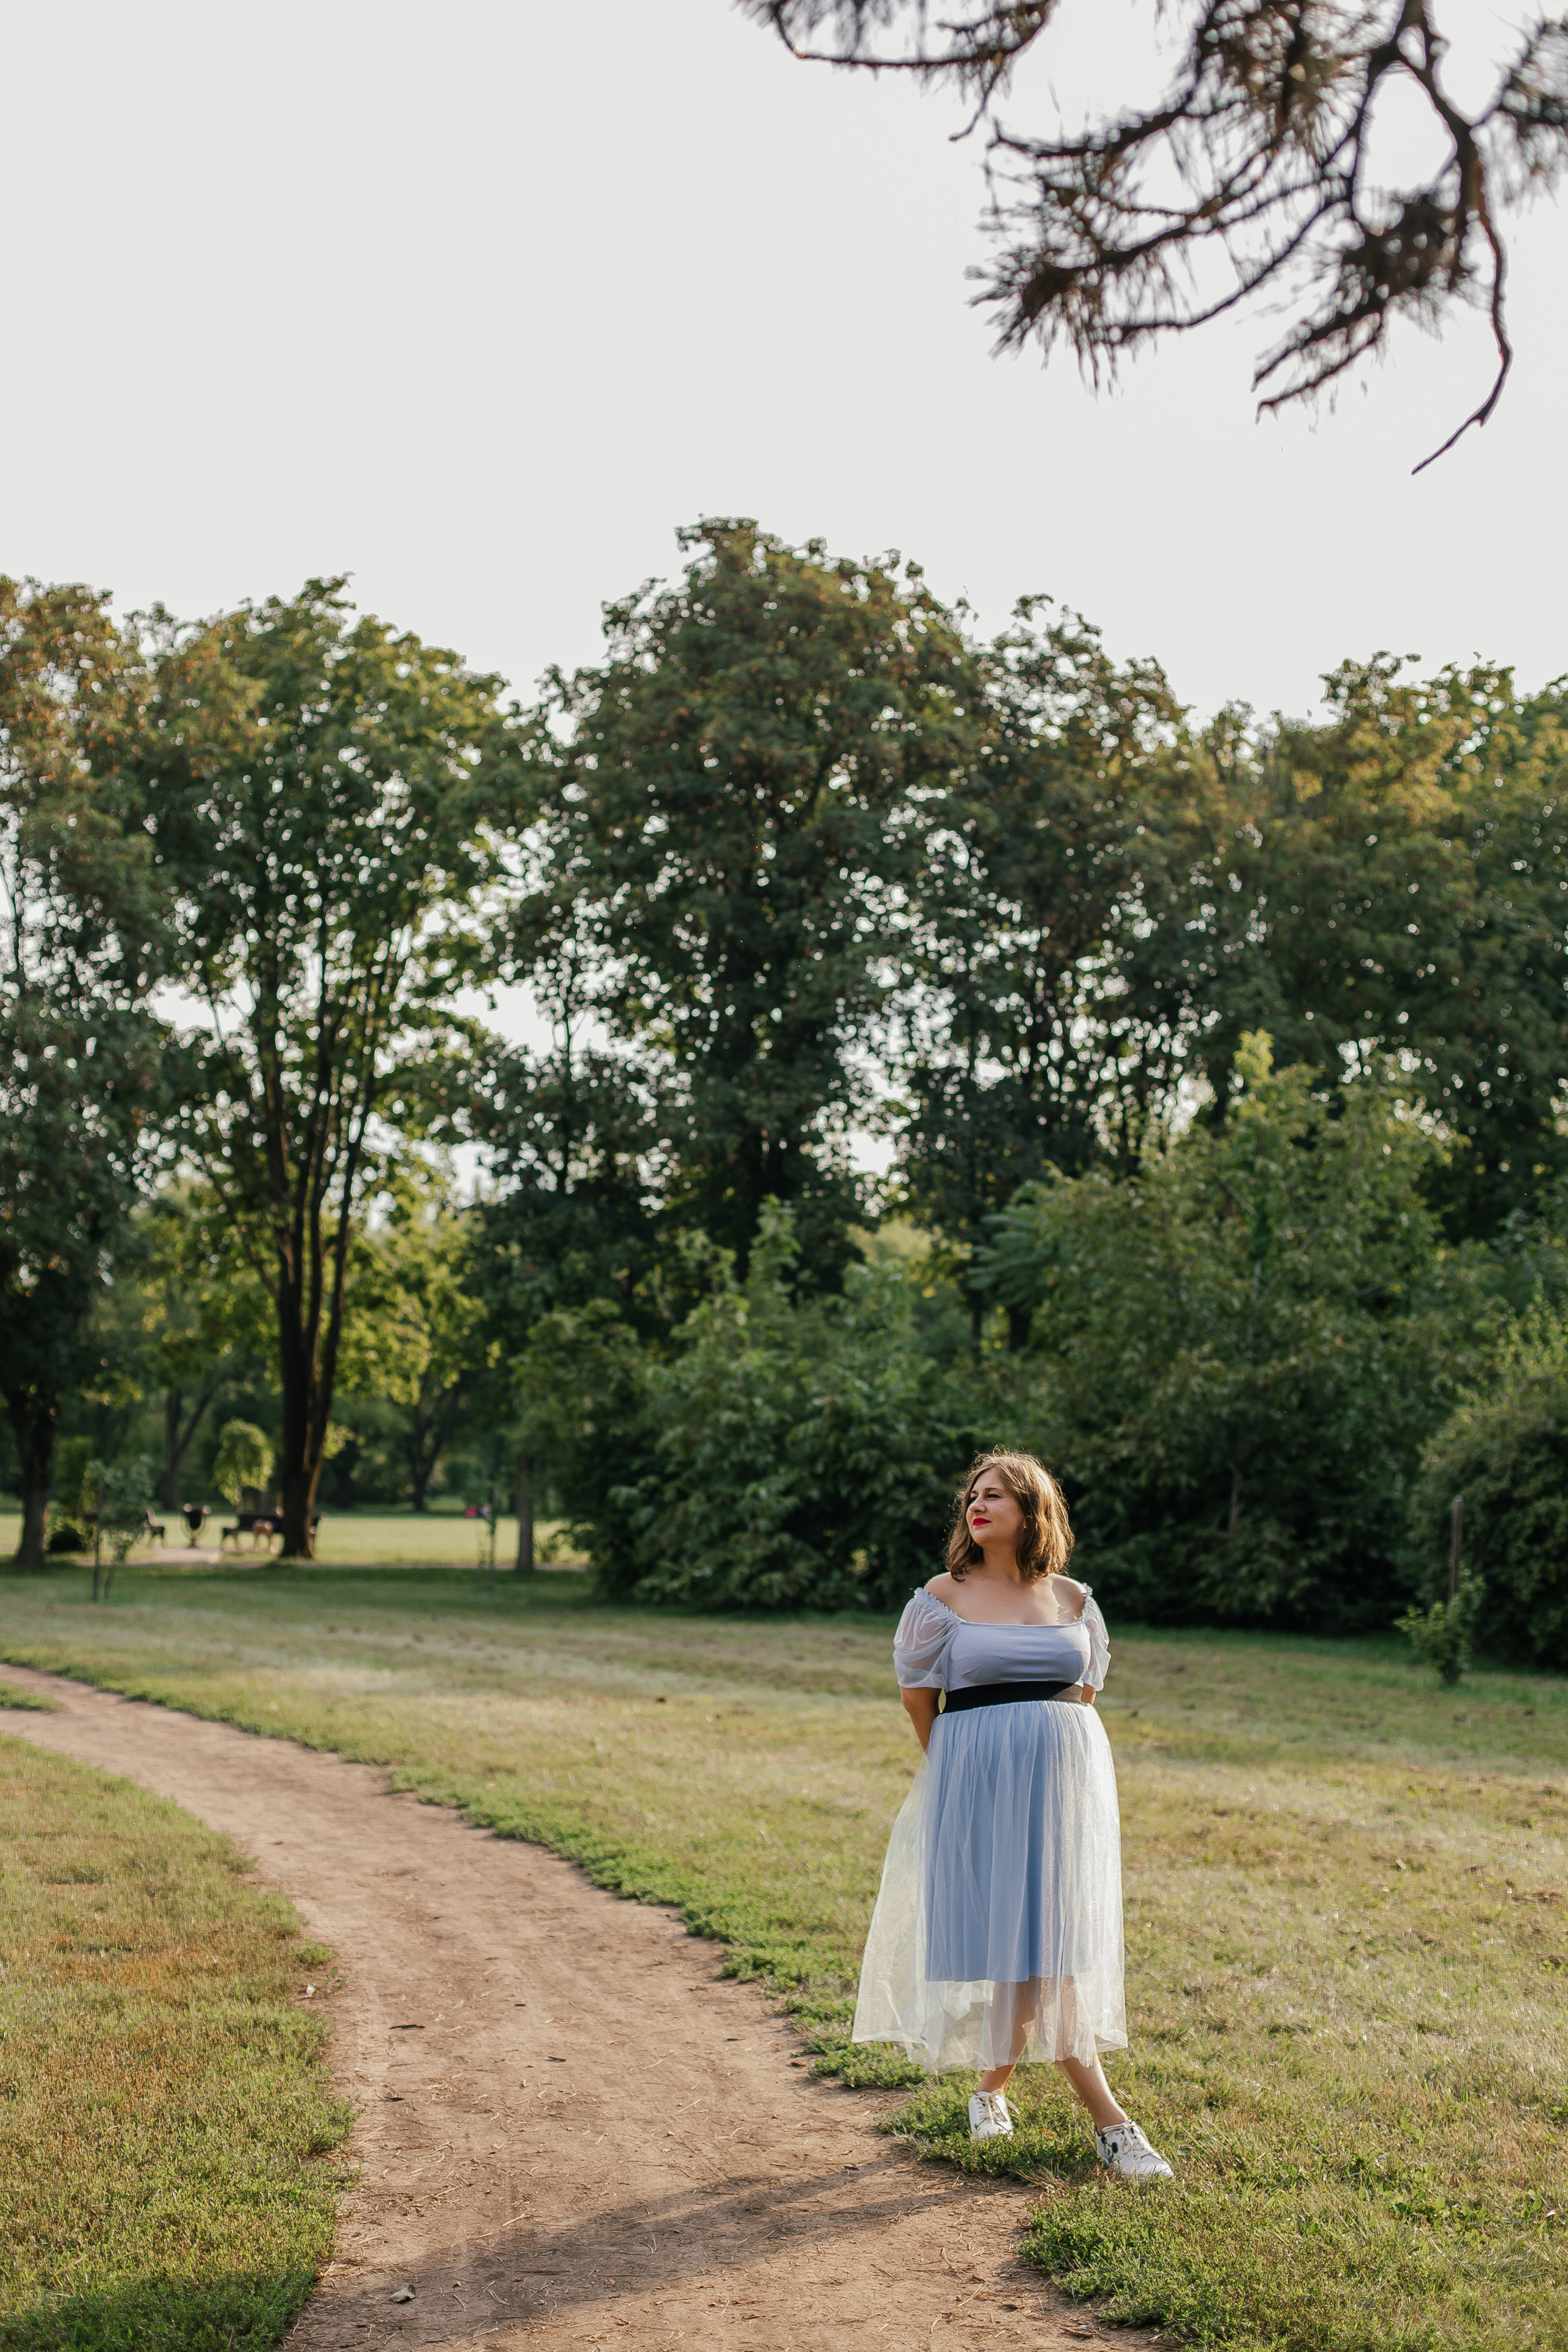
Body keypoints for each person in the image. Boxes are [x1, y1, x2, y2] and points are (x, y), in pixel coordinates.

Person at [851, 1450, 1172, 2177]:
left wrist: (1046, 1762)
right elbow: (917, 1699)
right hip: (977, 1784)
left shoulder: (1072, 1599)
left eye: (997, 1494)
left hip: (1062, 1791)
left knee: (1039, 1946)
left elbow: (1081, 1696)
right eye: (973, 1493)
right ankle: (1113, 2126)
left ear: (1033, 1511)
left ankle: (990, 2092)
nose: (978, 1503)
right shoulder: (942, 1596)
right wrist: (959, 1776)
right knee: (1029, 1949)